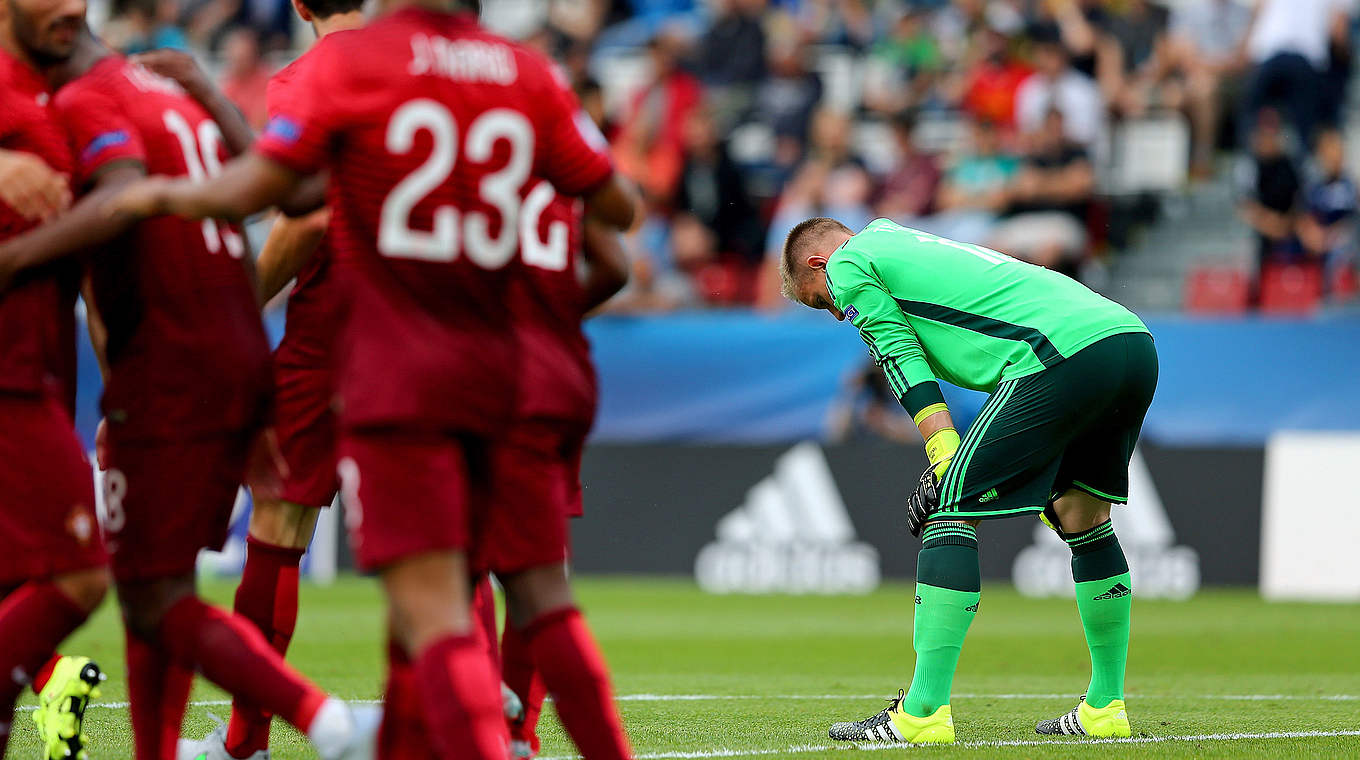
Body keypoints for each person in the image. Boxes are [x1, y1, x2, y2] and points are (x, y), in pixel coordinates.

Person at [105, 0, 639, 755]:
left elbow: (297, 205)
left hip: (381, 344)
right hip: (520, 353)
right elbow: (618, 222)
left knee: (362, 562)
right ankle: (513, 735)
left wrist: (165, 196)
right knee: (515, 575)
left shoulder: (355, 68)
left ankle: (257, 739)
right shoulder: (530, 75)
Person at [0, 22, 381, 760]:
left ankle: (318, 723)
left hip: (159, 367)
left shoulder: (76, 106)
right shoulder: (159, 89)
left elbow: (115, 216)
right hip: (227, 352)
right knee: (147, 588)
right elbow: (288, 190)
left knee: (122, 585)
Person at [779, 217, 1155, 744]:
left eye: (822, 302)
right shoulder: (904, 242)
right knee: (1082, 516)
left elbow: (897, 353)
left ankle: (923, 713)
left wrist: (942, 455)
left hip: (1058, 353)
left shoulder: (846, 262)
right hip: (1129, 341)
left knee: (947, 506)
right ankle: (1105, 707)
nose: (839, 313)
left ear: (819, 265)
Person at [165, 0, 362, 758]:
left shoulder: (302, 80)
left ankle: (244, 744)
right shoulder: (410, 67)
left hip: (334, 323)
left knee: (277, 526)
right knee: (449, 540)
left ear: (299, 4)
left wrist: (235, 306)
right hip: (432, 320)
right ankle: (496, 731)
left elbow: (307, 220)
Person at [0, 2, 110, 757]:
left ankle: (52, 680)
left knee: (37, 569)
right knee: (78, 572)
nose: (72, 4)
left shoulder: (64, 92)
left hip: (38, 370)